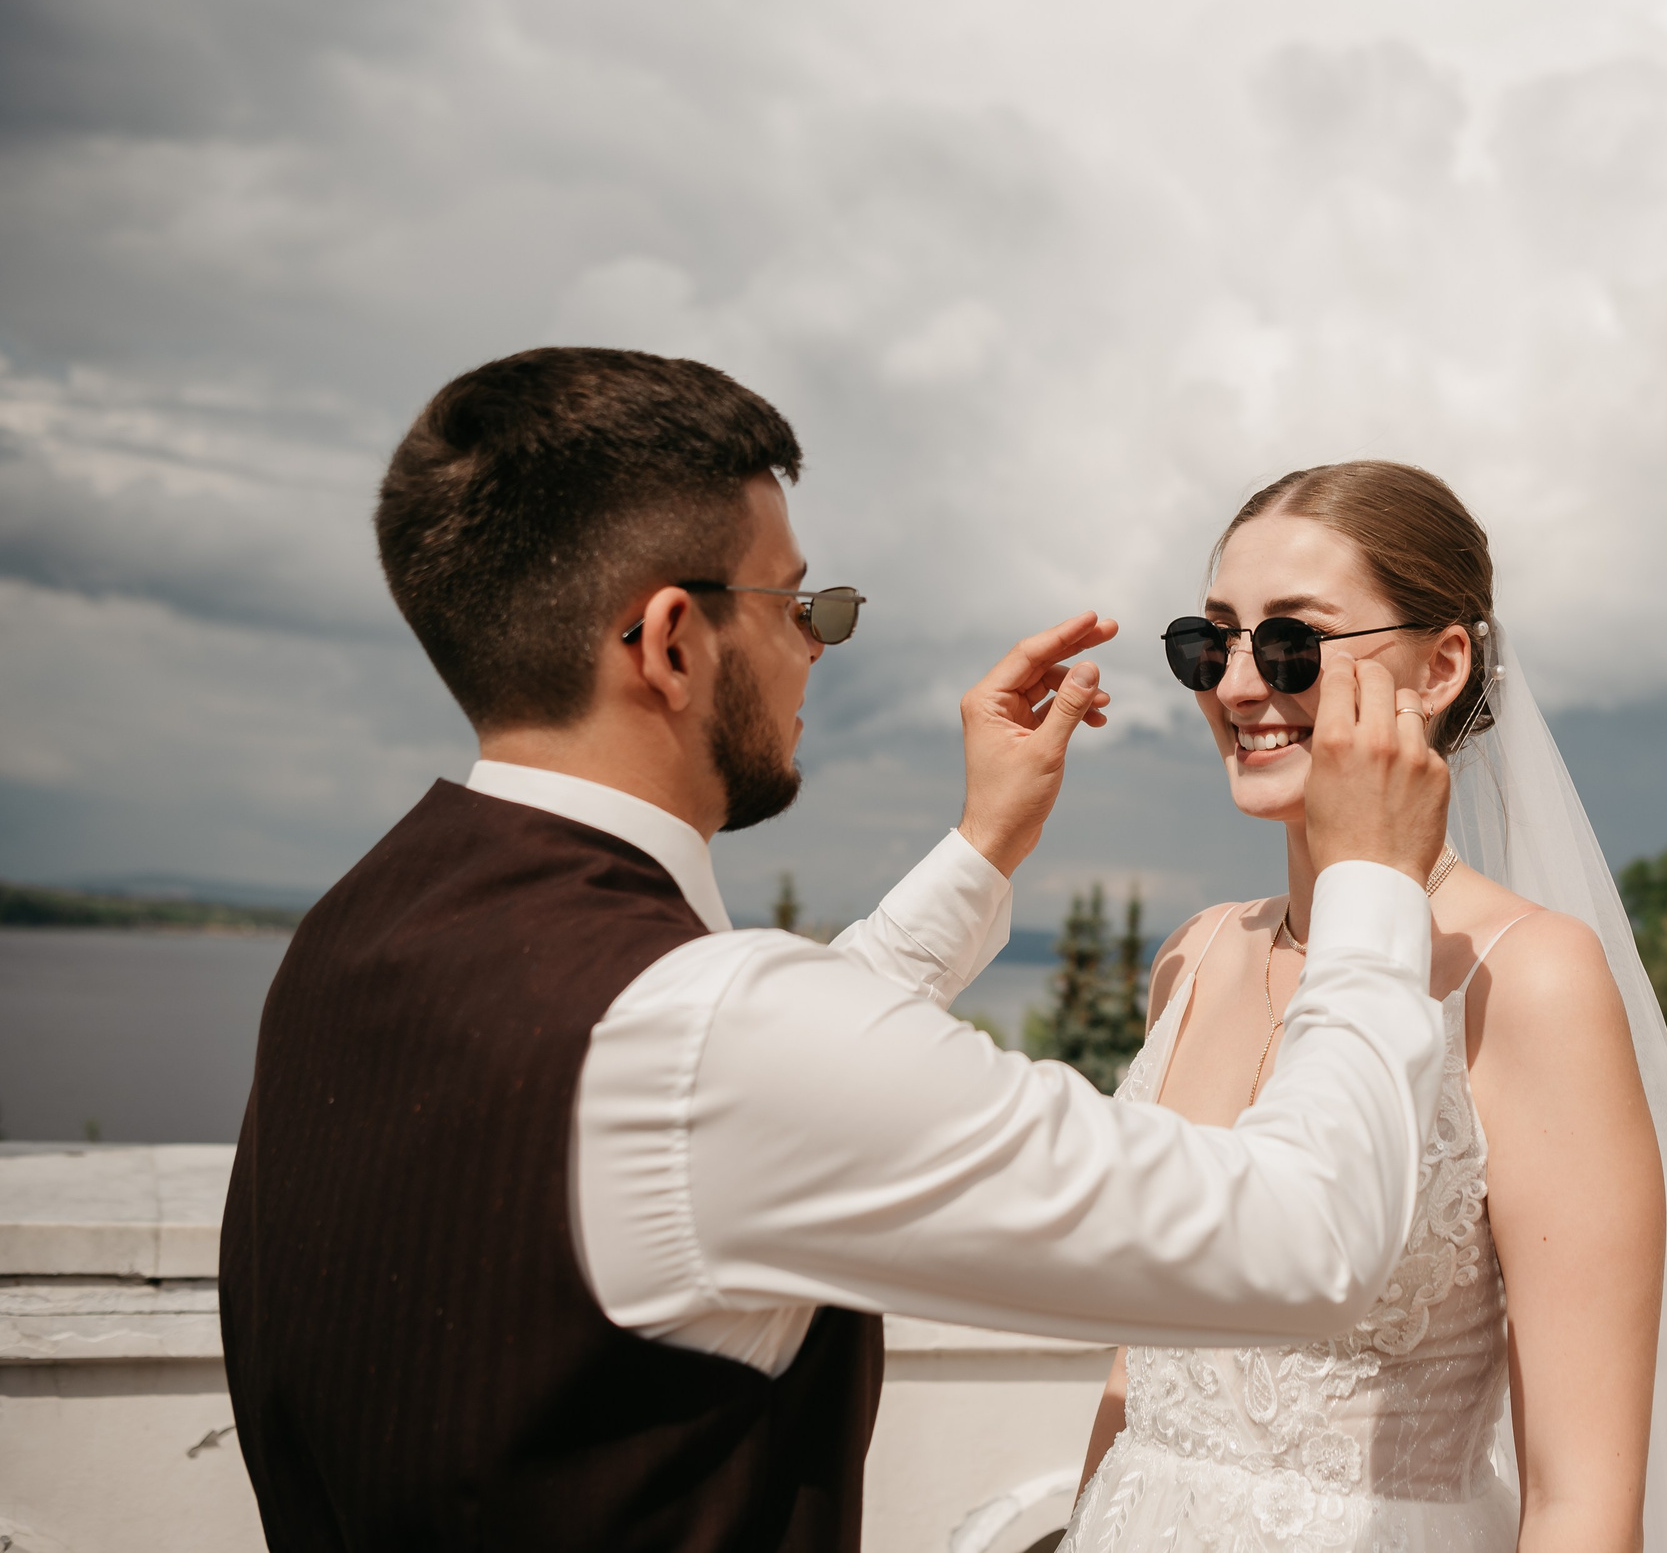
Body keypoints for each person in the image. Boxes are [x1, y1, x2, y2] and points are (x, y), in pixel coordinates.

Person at [218, 349, 1459, 1552]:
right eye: (797, 602)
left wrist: (982, 847)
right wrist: (1368, 876)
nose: (818, 641)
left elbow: (719, 1077)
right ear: (671, 642)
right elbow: (1309, 1237)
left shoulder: (358, 930)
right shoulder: (710, 1038)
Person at [1062, 462, 1667, 1553]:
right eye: (1209, 639)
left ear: (1440, 664)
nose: (1234, 685)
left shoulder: (1529, 978)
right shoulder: (1193, 956)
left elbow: (1583, 1500)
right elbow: (1139, 1369)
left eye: (1290, 643)